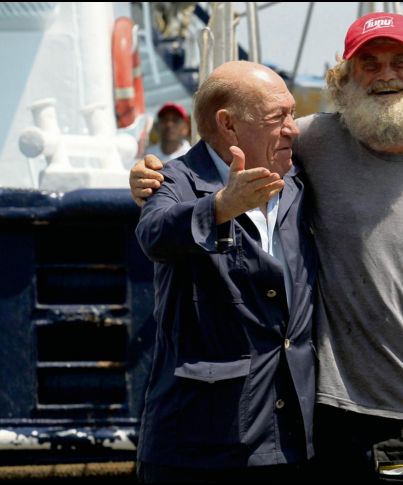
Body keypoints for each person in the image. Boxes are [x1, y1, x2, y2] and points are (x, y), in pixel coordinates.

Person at [131, 12, 403, 482]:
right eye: (369, 64)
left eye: (401, 61)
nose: (386, 75)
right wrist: (155, 179)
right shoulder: (311, 142)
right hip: (328, 420)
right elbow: (212, 160)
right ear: (345, 77)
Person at [134, 62, 317, 482]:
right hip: (199, 448)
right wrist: (219, 208)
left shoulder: (299, 181)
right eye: (279, 118)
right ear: (228, 126)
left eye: (292, 113)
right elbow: (155, 235)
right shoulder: (173, 179)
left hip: (291, 444)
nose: (293, 129)